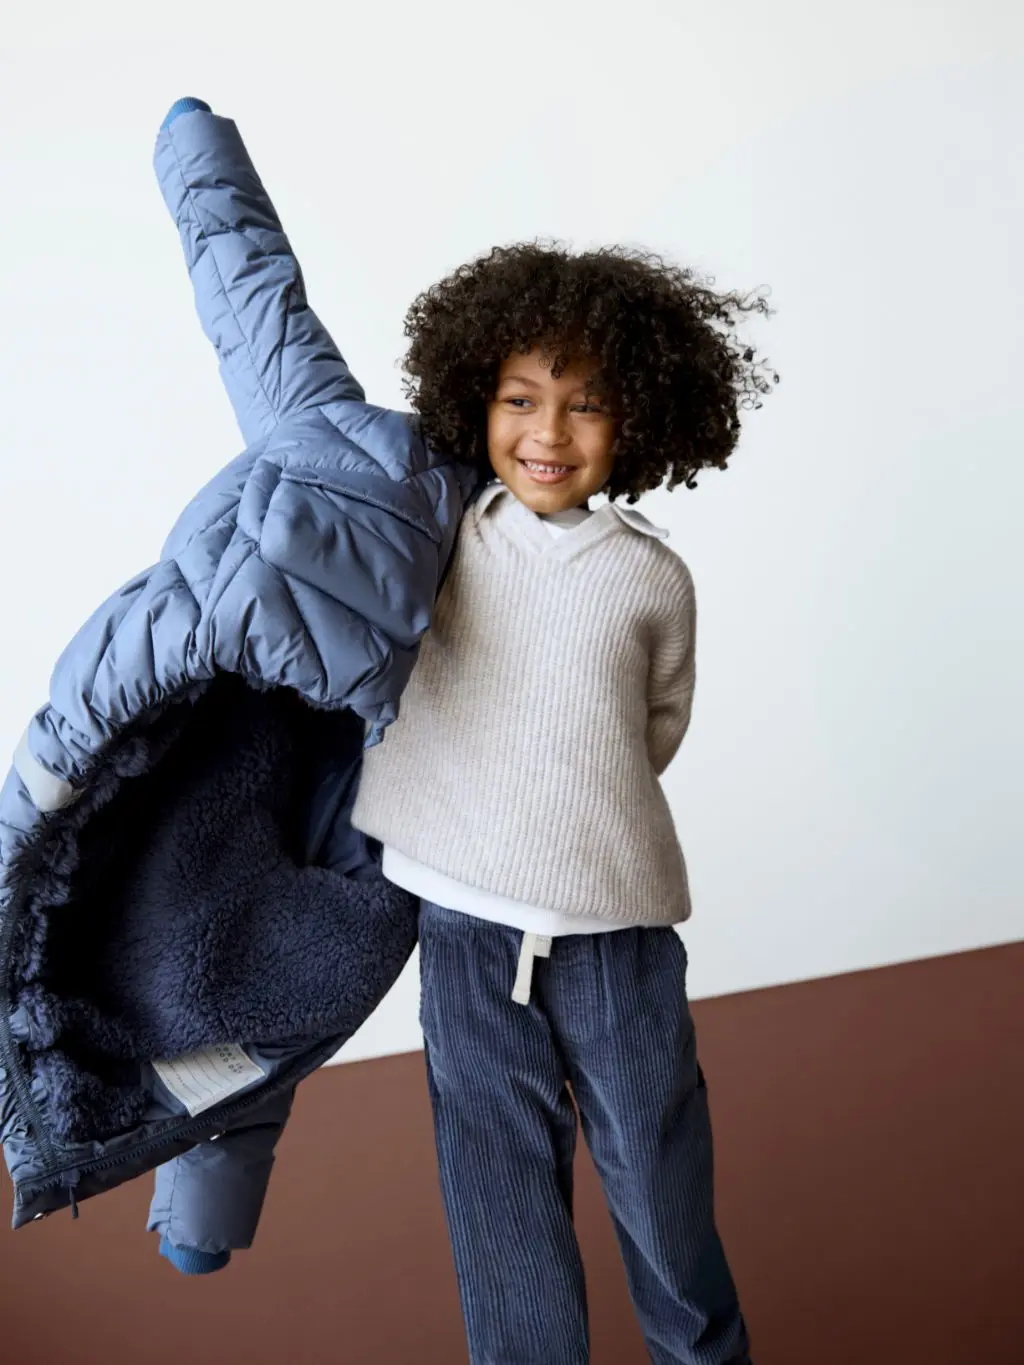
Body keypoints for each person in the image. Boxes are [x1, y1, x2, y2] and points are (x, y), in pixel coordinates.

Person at [351, 245, 776, 1363]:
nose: (548, 433)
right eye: (520, 400)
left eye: (586, 406)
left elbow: (655, 726)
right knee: (498, 1204)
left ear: (639, 421)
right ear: (474, 400)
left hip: (611, 938)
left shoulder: (649, 577)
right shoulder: (443, 537)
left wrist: (567, 814)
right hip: (460, 929)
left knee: (659, 1181)